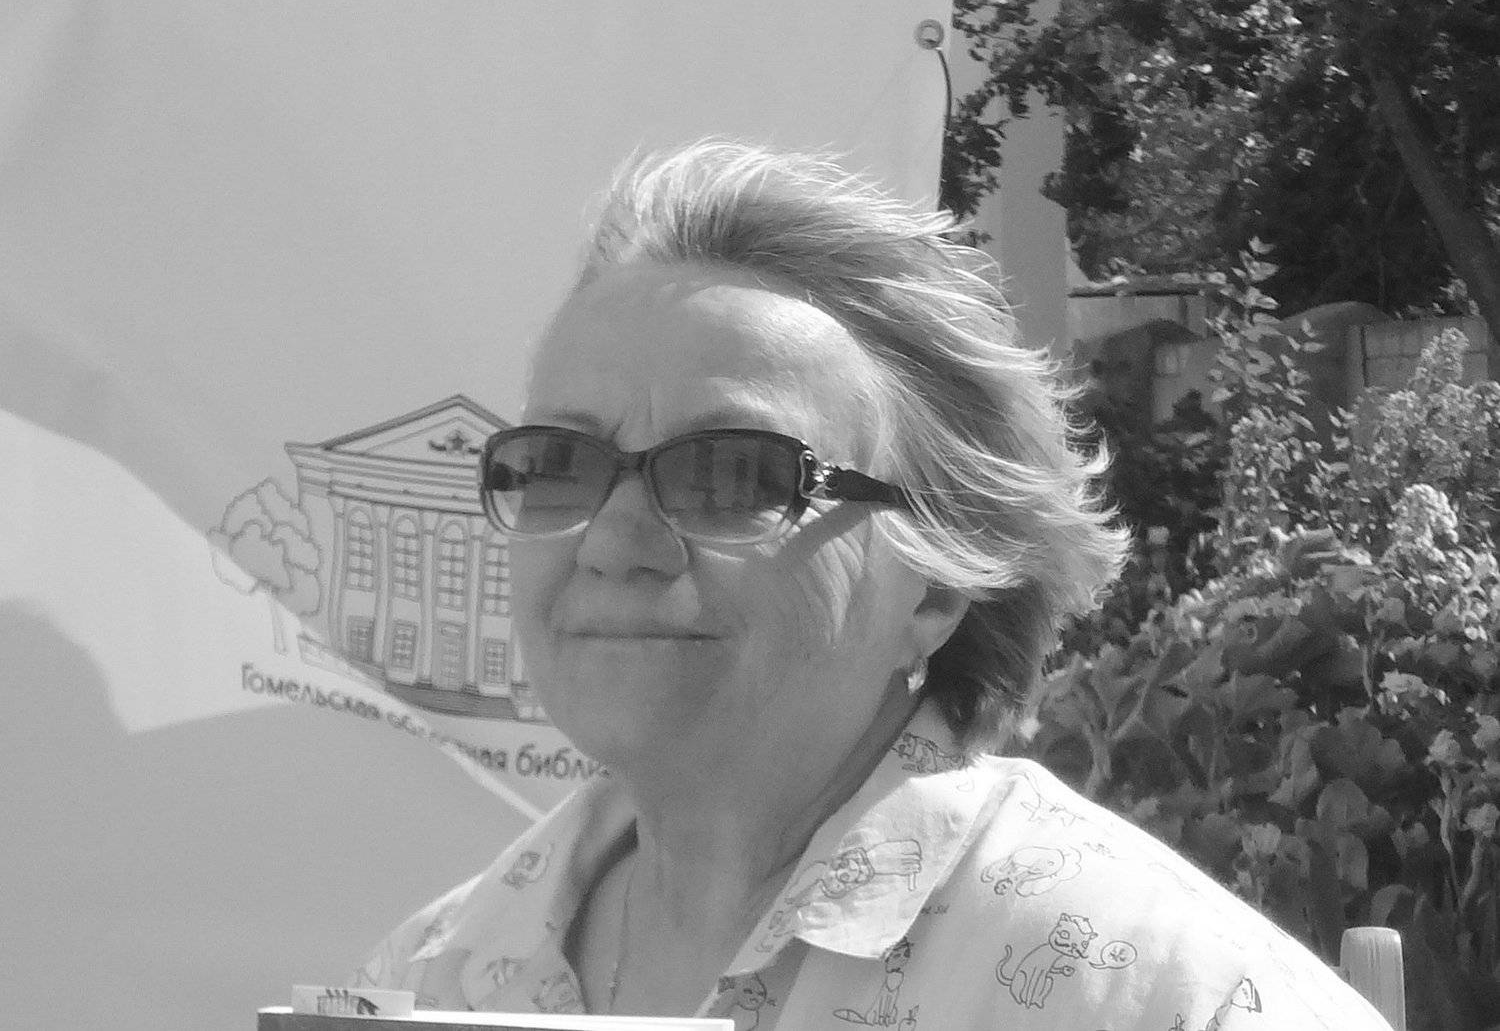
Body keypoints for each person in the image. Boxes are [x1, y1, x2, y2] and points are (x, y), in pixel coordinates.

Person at [352, 142, 1393, 1030]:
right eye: (560, 465)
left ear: (934, 585)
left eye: (732, 475)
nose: (615, 541)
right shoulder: (431, 974)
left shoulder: (1154, 996)